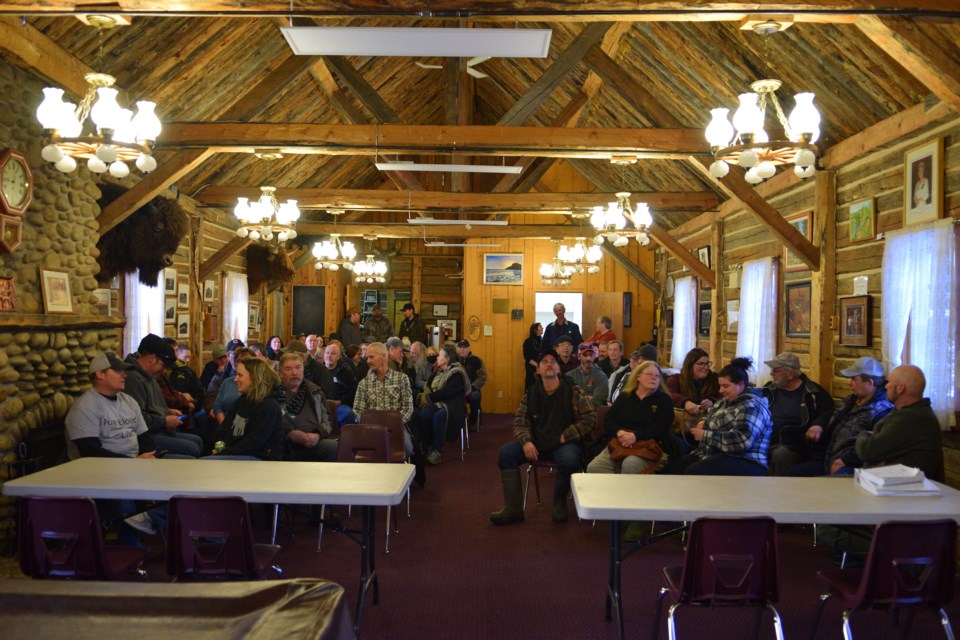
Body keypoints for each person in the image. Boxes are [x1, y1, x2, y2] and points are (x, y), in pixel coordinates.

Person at [65, 351, 162, 544]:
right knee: (124, 499)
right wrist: (134, 463)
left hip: (134, 467)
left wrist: (147, 457)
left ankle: (172, 545)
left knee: (177, 480)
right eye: (118, 371)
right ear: (100, 374)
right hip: (100, 474)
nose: (124, 375)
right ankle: (132, 550)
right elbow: (90, 453)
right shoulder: (85, 407)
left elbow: (145, 437)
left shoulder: (128, 401)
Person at [490, 348, 594, 525]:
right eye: (544, 362)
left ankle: (559, 502)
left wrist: (566, 435)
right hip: (537, 444)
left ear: (559, 369)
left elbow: (590, 418)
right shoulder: (530, 394)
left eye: (553, 361)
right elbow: (519, 421)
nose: (549, 364)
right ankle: (513, 508)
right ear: (537, 369)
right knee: (506, 454)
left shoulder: (573, 392)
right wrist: (526, 441)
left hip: (565, 443)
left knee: (570, 460)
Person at [587, 361, 677, 542]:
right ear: (638, 377)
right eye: (650, 374)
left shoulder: (664, 401)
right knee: (594, 468)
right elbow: (610, 421)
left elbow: (661, 427)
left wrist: (635, 436)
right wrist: (620, 433)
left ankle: (637, 518)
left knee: (630, 465)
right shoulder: (626, 396)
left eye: (657, 376)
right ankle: (619, 507)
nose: (654, 378)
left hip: (650, 446)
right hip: (620, 443)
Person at [662, 357, 772, 476]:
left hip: (745, 460)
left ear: (740, 385)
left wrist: (705, 436)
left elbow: (742, 442)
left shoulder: (752, 407)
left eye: (725, 386)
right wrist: (702, 422)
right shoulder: (724, 401)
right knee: (672, 467)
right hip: (714, 454)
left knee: (693, 472)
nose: (720, 390)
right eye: (720, 386)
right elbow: (711, 414)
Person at [788, 357, 894, 476]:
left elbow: (874, 445)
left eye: (854, 379)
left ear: (869, 383)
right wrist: (818, 425)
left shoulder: (882, 411)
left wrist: (846, 460)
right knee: (792, 475)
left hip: (852, 466)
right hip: (826, 460)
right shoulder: (851, 400)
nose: (850, 383)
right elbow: (831, 414)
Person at [854, 364, 943, 479]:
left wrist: (864, 434)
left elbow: (866, 452)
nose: (886, 387)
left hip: (904, 489)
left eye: (889, 382)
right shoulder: (902, 411)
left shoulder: (914, 418)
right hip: (887, 482)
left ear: (900, 388)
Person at [123, 334, 202, 458]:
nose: (165, 371)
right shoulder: (133, 378)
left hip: (159, 429)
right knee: (192, 448)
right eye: (164, 366)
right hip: (146, 435)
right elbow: (138, 418)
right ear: (152, 358)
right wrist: (164, 421)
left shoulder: (151, 375)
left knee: (198, 441)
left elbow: (153, 406)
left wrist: (167, 411)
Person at [762, 352, 835, 476]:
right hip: (765, 440)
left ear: (790, 374)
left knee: (781, 455)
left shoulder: (814, 393)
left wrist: (818, 425)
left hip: (795, 445)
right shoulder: (769, 389)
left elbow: (829, 412)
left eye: (776, 370)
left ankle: (783, 493)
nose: (771, 373)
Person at [206, 357, 285, 460]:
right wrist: (219, 446)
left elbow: (252, 443)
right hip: (237, 452)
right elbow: (224, 428)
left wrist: (224, 453)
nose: (235, 379)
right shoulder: (243, 399)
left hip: (259, 458)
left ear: (255, 377)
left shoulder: (269, 406)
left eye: (240, 375)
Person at [353, 342, 415, 456]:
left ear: (383, 356)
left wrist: (394, 424)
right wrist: (371, 426)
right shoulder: (364, 383)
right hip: (370, 429)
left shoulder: (401, 379)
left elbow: (408, 408)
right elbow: (357, 410)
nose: (368, 361)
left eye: (371, 357)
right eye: (367, 358)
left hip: (396, 427)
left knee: (407, 448)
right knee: (358, 448)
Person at [278, 352, 338, 462]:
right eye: (288, 369)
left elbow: (328, 420)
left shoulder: (315, 390)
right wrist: (289, 432)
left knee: (332, 446)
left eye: (298, 367)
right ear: (280, 373)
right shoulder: (273, 392)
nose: (294, 373)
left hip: (313, 441)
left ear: (303, 370)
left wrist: (317, 434)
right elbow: (269, 421)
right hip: (284, 442)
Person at [415, 343, 468, 465]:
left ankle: (437, 450)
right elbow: (430, 386)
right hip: (439, 402)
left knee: (438, 416)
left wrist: (428, 398)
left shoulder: (456, 373)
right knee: (423, 415)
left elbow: (446, 393)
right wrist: (423, 397)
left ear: (447, 359)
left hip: (453, 405)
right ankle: (427, 447)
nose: (437, 358)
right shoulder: (439, 372)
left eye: (440, 356)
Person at [665, 348, 720, 417]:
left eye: (707, 363)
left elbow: (721, 396)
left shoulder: (714, 379)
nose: (706, 367)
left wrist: (711, 401)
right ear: (690, 365)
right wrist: (685, 402)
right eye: (701, 364)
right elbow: (668, 394)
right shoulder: (676, 379)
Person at [324, 342, 358, 426]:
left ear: (338, 357)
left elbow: (353, 391)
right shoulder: (317, 371)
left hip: (340, 405)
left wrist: (340, 401)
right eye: (327, 353)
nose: (329, 356)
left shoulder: (346, 372)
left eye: (333, 353)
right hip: (321, 405)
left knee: (348, 413)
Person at [565, 342, 608, 407]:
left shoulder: (601, 376)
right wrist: (590, 398)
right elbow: (565, 400)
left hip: (594, 415)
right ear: (579, 356)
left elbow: (597, 402)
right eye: (585, 355)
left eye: (591, 355)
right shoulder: (570, 375)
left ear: (594, 356)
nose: (588, 358)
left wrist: (576, 399)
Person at [456, 339, 487, 429]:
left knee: (475, 396)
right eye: (460, 347)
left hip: (472, 388)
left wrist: (472, 387)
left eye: (464, 347)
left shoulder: (476, 360)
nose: (462, 349)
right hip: (458, 389)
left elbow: (482, 377)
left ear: (469, 349)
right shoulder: (454, 360)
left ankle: (473, 421)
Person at [522, 322, 543, 389]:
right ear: (535, 330)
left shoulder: (544, 341)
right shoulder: (528, 341)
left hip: (543, 368)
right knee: (531, 387)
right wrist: (537, 365)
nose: (542, 328)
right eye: (540, 326)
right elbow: (527, 357)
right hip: (531, 368)